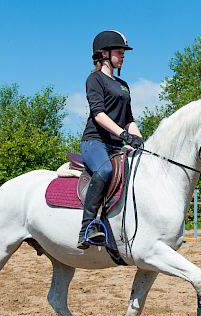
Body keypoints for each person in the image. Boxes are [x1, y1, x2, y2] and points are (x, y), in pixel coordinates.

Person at [77, 30, 145, 249]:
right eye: (119, 51)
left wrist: (139, 139)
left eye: (123, 52)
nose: (123, 55)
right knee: (105, 170)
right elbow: (98, 114)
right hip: (95, 141)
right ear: (104, 54)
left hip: (116, 143)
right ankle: (87, 227)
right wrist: (123, 134)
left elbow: (129, 119)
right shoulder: (94, 79)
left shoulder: (123, 84)